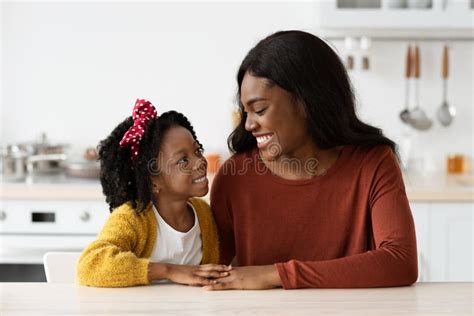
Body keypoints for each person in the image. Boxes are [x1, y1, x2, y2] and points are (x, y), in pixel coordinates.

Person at [207, 31, 418, 290]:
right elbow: (207, 272)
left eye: (260, 109)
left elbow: (400, 262)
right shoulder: (234, 176)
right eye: (246, 111)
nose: (249, 124)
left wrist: (277, 275)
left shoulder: (373, 163)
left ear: (308, 100)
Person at [77, 99, 231, 287]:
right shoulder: (133, 219)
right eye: (183, 160)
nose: (200, 161)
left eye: (197, 150)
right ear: (153, 180)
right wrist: (168, 270)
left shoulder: (204, 215)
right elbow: (90, 265)